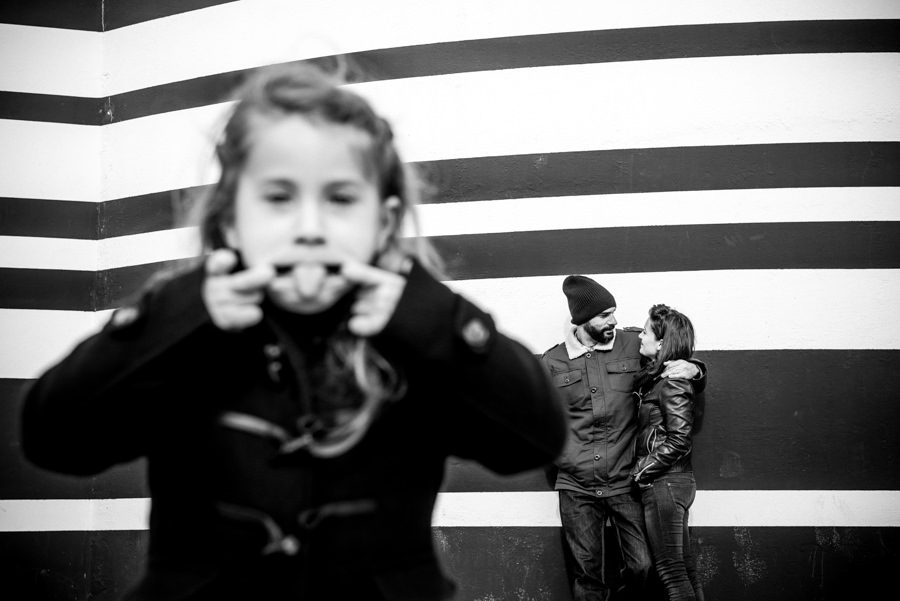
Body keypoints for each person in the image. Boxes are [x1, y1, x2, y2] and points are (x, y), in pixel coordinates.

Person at [20, 63, 567, 601]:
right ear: (232, 219)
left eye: (341, 199)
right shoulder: (180, 336)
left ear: (384, 221)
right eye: (279, 198)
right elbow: (54, 438)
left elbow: (533, 439)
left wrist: (431, 321)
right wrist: (175, 318)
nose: (309, 229)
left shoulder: (420, 340)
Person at [540, 275, 705, 601]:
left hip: (627, 482)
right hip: (577, 487)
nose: (613, 320)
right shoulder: (552, 362)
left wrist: (695, 368)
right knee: (588, 577)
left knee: (643, 565)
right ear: (583, 319)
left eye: (614, 312)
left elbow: (670, 355)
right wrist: (563, 457)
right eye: (604, 315)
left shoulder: (633, 343)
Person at [631, 304, 704, 601]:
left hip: (665, 484)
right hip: (673, 483)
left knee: (672, 574)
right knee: (685, 570)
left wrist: (641, 470)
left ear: (661, 342)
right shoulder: (664, 378)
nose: (640, 336)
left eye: (646, 331)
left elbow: (679, 439)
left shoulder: (672, 382)